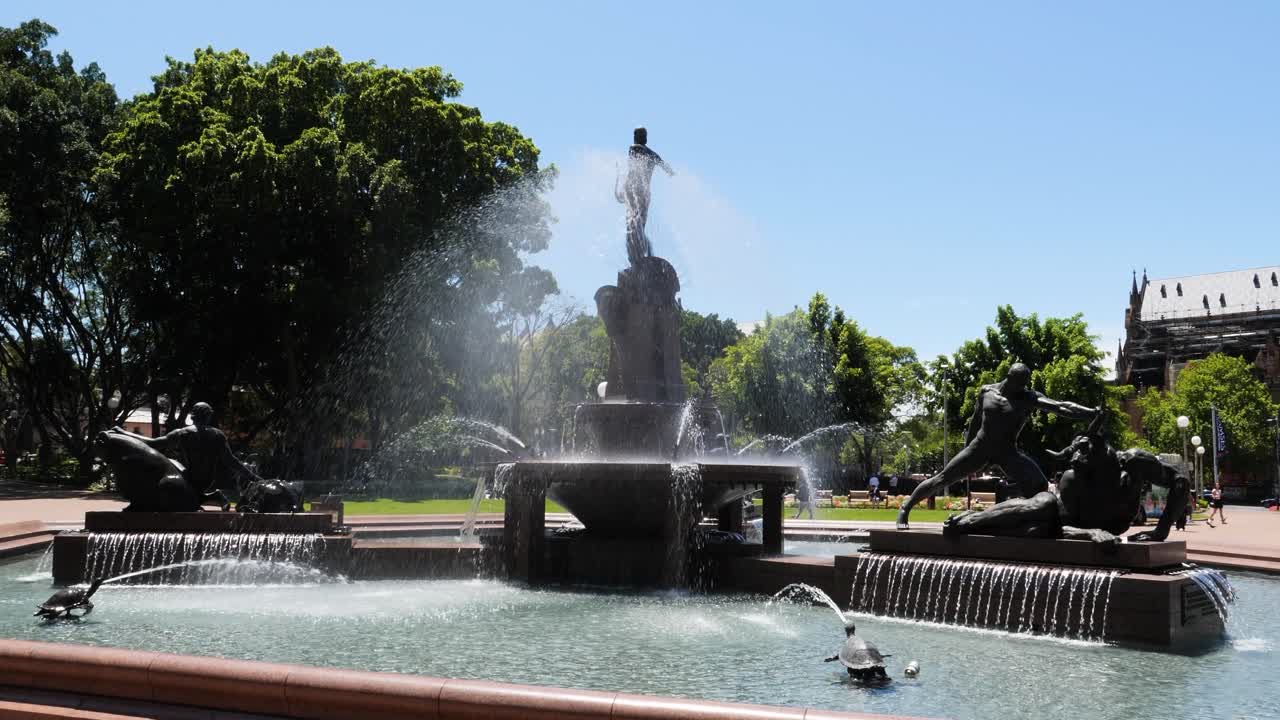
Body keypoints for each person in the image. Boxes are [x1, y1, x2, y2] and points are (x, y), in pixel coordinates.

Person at [896, 363, 1098, 529]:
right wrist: (967, 449)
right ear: (1009, 378)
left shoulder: (1029, 398)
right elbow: (976, 421)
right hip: (980, 447)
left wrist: (1089, 412)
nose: (1021, 388)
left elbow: (1061, 406)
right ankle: (906, 507)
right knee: (941, 478)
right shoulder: (986, 391)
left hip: (1007, 452)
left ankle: (1024, 518)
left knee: (1039, 486)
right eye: (1018, 383)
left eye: (1024, 384)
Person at [112, 402, 262, 500]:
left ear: (193, 416)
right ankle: (211, 496)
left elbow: (154, 443)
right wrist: (253, 477)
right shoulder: (217, 435)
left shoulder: (182, 433)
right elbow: (231, 461)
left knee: (170, 462)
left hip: (187, 479)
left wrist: (122, 432)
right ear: (208, 416)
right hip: (207, 482)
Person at [615, 127, 674, 266]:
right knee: (639, 227)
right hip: (645, 194)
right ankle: (647, 255)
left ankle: (637, 260)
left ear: (636, 136)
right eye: (643, 135)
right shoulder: (653, 154)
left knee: (632, 228)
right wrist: (671, 172)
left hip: (634, 191)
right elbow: (666, 167)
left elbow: (633, 167)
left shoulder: (634, 147)